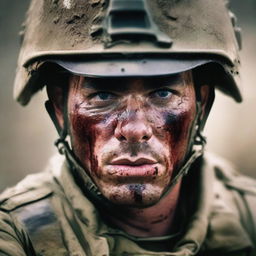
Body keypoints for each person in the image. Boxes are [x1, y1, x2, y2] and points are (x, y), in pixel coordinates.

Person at [0, 0, 256, 255]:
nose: (134, 129)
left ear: (202, 107)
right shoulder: (15, 232)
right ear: (59, 111)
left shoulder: (249, 217)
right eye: (102, 96)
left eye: (163, 93)